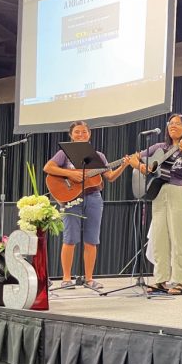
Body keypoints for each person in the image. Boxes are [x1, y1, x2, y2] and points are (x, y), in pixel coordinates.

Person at [43, 121, 129, 290]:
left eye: (84, 132)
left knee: (92, 240)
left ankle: (89, 279)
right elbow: (48, 167)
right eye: (77, 132)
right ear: (71, 135)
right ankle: (66, 279)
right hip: (71, 200)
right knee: (70, 239)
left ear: (89, 134)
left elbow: (109, 177)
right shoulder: (64, 153)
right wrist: (70, 174)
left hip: (94, 198)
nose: (81, 135)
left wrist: (124, 165)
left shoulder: (99, 156)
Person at [129, 114, 182, 295]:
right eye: (170, 123)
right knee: (159, 237)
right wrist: (140, 167)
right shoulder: (158, 147)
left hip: (181, 191)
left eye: (178, 124)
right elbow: (134, 157)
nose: (173, 126)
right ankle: (160, 279)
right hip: (158, 191)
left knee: (179, 238)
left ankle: (180, 282)